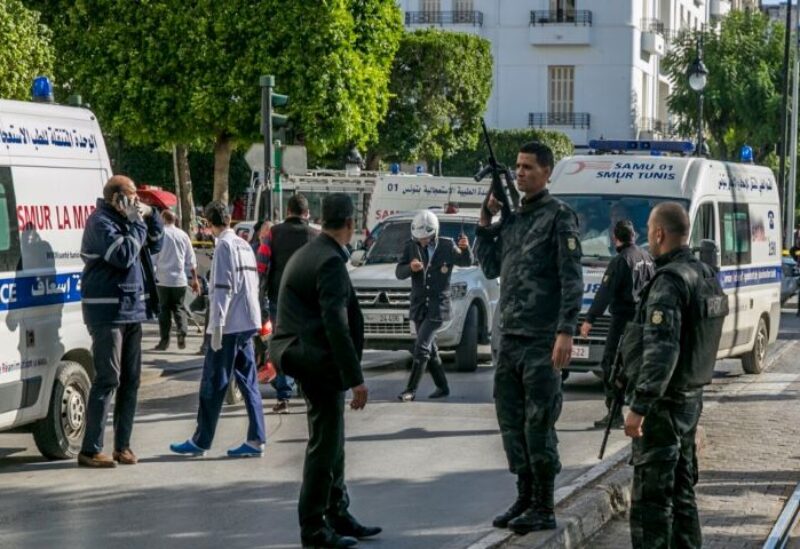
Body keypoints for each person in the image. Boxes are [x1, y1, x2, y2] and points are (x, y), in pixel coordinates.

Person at [475, 142, 583, 534]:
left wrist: (565, 331)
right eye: (517, 167)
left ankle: (543, 504)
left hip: (541, 340)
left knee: (539, 424)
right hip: (511, 340)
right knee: (511, 422)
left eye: (528, 167)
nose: (520, 173)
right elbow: (489, 266)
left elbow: (572, 279)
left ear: (546, 172)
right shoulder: (514, 220)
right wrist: (485, 222)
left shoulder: (559, 218)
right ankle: (524, 495)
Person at [270, 193, 380, 549]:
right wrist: (355, 378)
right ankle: (315, 528)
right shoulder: (330, 261)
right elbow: (337, 324)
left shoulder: (314, 252)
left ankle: (337, 511)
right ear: (350, 224)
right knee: (324, 444)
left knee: (333, 440)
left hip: (303, 354)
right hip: (314, 357)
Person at [622, 202, 727, 548]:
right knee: (682, 496)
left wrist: (639, 406)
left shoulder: (669, 281)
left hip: (663, 408)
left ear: (658, 233)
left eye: (651, 230)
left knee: (651, 504)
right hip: (689, 400)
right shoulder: (705, 275)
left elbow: (661, 352)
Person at [77, 175, 164, 467]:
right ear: (117, 198)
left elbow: (153, 246)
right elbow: (125, 255)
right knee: (108, 378)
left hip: (132, 310)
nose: (136, 202)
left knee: (131, 380)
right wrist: (136, 222)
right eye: (131, 196)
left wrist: (152, 218)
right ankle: (90, 449)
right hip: (107, 312)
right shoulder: (100, 222)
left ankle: (122, 446)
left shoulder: (128, 218)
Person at [169, 201, 266, 458]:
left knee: (213, 382)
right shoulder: (244, 244)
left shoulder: (223, 245)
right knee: (248, 382)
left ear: (210, 224)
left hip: (230, 324)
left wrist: (218, 325)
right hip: (248, 321)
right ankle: (257, 438)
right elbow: (251, 282)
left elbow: (223, 287)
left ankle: (201, 440)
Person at [580, 220, 654, 429]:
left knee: (610, 364)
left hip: (622, 321)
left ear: (615, 238)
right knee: (632, 366)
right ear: (634, 236)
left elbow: (604, 293)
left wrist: (589, 320)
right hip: (642, 321)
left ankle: (614, 412)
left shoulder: (621, 261)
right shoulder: (646, 257)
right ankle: (637, 410)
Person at [395, 210, 472, 401]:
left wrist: (466, 248)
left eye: (426, 238)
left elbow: (466, 261)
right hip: (419, 305)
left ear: (434, 233)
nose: (422, 242)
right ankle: (443, 387)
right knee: (431, 350)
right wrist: (409, 268)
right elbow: (399, 272)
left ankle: (410, 390)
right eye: (419, 238)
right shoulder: (410, 246)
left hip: (438, 307)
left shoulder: (446, 245)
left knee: (421, 347)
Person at [261, 194, 318, 414]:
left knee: (281, 346)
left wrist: (260, 296)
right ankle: (308, 393)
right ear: (307, 213)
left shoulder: (272, 234)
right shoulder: (316, 235)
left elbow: (261, 265)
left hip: (280, 299)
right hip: (308, 300)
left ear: (288, 211)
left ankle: (283, 396)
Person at [153, 209, 200, 351]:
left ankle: (164, 341)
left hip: (162, 279)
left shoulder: (159, 235)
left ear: (163, 220)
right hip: (179, 279)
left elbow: (153, 259)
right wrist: (195, 279)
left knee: (164, 310)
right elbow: (191, 260)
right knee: (179, 308)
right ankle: (182, 332)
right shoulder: (183, 235)